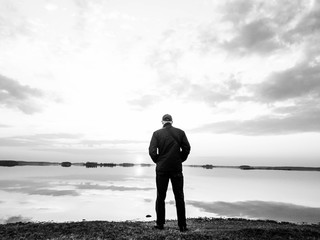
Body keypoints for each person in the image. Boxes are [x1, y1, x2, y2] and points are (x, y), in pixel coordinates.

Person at [149, 114, 191, 232]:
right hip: (176, 168)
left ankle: (160, 224)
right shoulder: (180, 132)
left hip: (162, 168)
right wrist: (180, 159)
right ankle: (182, 225)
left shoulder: (156, 134)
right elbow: (187, 148)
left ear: (162, 122)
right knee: (179, 196)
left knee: (160, 196)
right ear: (172, 121)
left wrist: (159, 161)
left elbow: (152, 151)